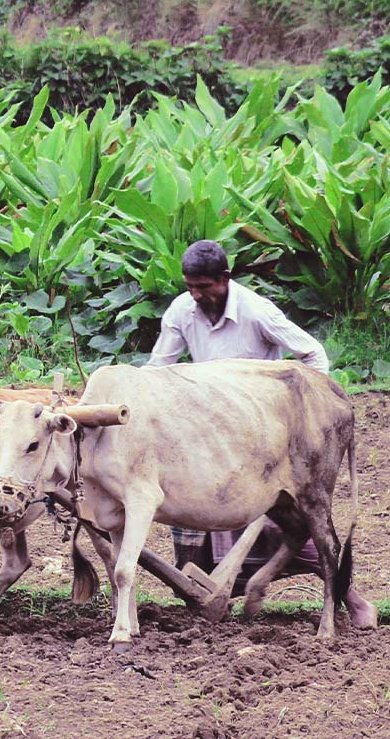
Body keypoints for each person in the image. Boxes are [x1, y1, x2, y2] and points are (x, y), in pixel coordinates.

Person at [146, 239, 376, 627]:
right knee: (194, 509)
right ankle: (223, 593)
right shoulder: (181, 311)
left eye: (204, 287)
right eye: (190, 287)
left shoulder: (256, 311)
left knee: (291, 522)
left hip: (262, 431)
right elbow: (158, 367)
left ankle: (353, 600)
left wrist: (308, 411)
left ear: (225, 279)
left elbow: (312, 353)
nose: (197, 295)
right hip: (211, 428)